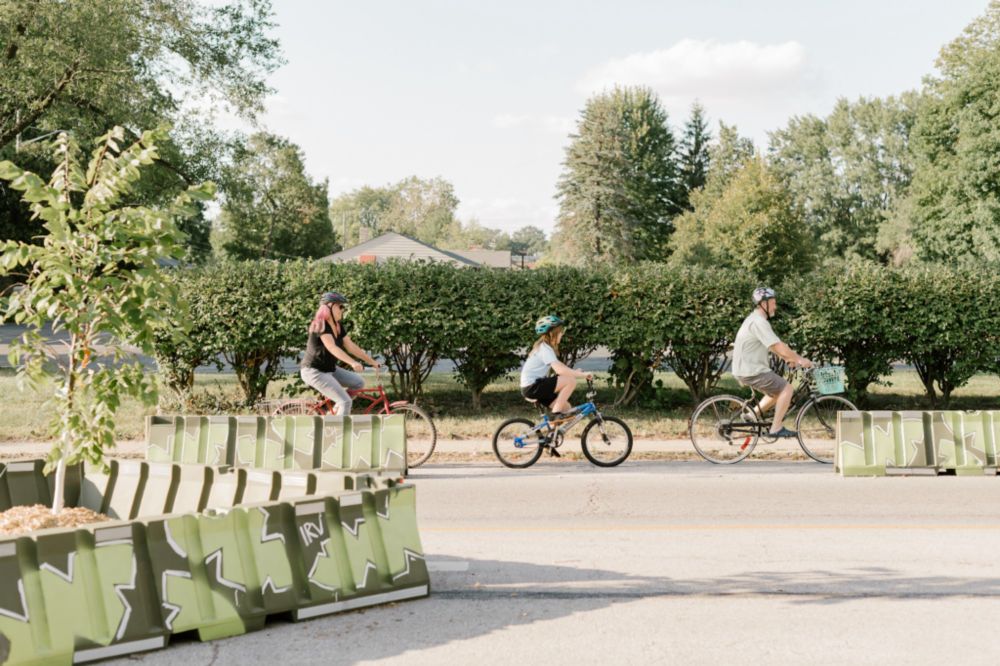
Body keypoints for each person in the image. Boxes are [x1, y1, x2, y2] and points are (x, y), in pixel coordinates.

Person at [731, 287, 813, 438]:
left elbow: (774, 345)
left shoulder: (756, 320)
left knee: (777, 391)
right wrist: (799, 359)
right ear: (764, 304)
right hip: (751, 369)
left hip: (749, 368)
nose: (775, 306)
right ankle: (776, 428)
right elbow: (777, 346)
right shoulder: (758, 322)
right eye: (773, 303)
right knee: (786, 389)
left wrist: (789, 358)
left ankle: (751, 416)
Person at [300, 291, 379, 415]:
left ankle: (335, 414)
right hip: (314, 371)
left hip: (329, 369)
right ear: (329, 306)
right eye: (340, 306)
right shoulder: (320, 324)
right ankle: (338, 433)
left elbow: (351, 346)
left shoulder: (338, 326)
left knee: (358, 383)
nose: (342, 310)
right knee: (345, 402)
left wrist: (372, 362)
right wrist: (352, 363)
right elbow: (332, 347)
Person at [520, 315, 593, 417]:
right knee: (570, 381)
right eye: (560, 332)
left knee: (566, 408)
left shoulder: (545, 347)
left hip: (533, 386)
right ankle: (556, 415)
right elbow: (560, 370)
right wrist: (581, 375)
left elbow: (560, 366)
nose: (562, 334)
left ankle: (553, 431)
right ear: (551, 334)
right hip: (532, 387)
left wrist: (574, 372)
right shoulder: (544, 348)